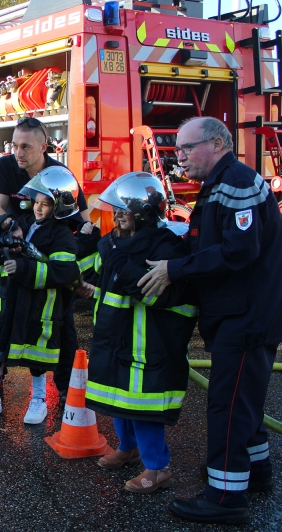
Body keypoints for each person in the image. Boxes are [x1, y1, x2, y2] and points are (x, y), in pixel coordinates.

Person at [139, 117, 282, 525]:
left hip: (246, 317)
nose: (179, 156)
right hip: (243, 314)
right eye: (178, 149)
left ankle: (224, 497)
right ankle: (255, 472)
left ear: (218, 143)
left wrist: (175, 271)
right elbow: (208, 241)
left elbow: (238, 252)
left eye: (187, 148)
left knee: (230, 406)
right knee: (245, 400)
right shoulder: (222, 183)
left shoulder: (234, 182)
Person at [84, 172, 197, 494]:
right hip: (116, 338)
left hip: (150, 345)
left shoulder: (166, 246)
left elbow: (150, 291)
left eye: (123, 211)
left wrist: (117, 260)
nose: (117, 218)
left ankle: (157, 467)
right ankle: (128, 448)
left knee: (144, 408)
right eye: (115, 211)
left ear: (143, 213)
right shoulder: (113, 243)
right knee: (117, 399)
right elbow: (88, 268)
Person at [0, 117, 92, 404]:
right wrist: (10, 225)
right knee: (4, 319)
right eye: (14, 145)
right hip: (19, 256)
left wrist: (76, 272)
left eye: (25, 147)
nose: (18, 153)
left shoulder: (60, 174)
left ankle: (67, 393)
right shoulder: (6, 166)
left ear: (44, 147)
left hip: (54, 260)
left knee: (61, 323)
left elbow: (85, 221)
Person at [0, 167, 80, 423]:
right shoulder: (24, 222)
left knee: (36, 356)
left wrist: (25, 266)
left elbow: (64, 271)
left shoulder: (61, 235)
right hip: (9, 301)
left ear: (59, 207)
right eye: (36, 202)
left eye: (45, 204)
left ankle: (38, 401)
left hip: (38, 307)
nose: (38, 208)